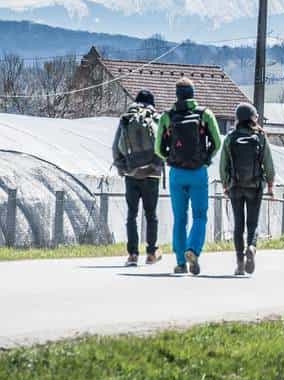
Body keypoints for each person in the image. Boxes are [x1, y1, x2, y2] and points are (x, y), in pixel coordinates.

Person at [155, 78, 222, 276]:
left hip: (176, 174)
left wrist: (170, 159)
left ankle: (180, 263)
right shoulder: (204, 114)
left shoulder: (167, 116)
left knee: (180, 218)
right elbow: (217, 142)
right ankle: (192, 250)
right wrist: (206, 159)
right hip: (198, 172)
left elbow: (158, 148)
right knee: (200, 215)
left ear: (177, 95)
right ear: (193, 93)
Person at [219, 103, 275, 276]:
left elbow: (223, 165)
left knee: (238, 225)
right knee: (252, 224)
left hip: (235, 187)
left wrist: (225, 184)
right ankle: (251, 247)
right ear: (253, 118)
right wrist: (270, 184)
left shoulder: (230, 137)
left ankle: (240, 263)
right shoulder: (260, 137)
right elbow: (268, 164)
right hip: (255, 186)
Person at [111, 89, 163, 267]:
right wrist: (158, 164)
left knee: (131, 214)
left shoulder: (127, 118)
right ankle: (151, 253)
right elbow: (163, 144)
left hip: (132, 173)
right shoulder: (156, 117)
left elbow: (116, 145)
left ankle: (133, 254)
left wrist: (121, 167)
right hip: (152, 174)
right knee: (151, 215)